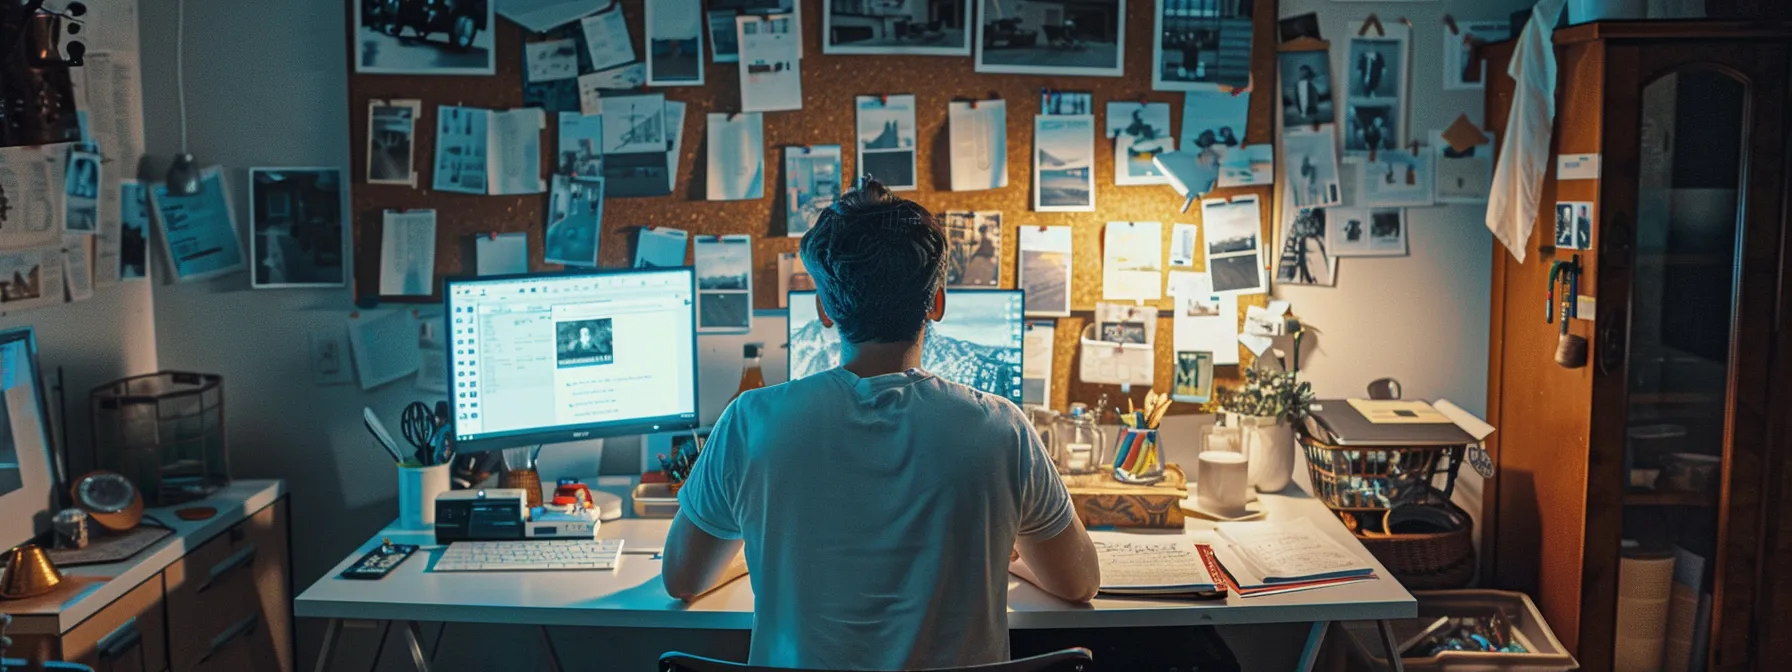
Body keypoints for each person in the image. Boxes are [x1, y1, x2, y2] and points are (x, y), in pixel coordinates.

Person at [662, 181, 1099, 670]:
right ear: (936, 303)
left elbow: (682, 580)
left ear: (825, 310)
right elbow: (1079, 584)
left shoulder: (751, 421)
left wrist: (763, 552)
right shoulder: (1003, 430)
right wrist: (1007, 553)